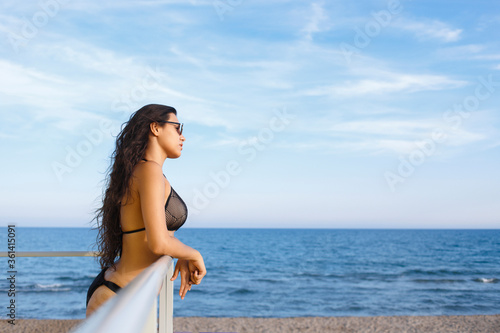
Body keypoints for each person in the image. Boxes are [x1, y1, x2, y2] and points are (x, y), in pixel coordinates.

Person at [86, 104, 206, 317]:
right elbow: (158, 242)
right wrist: (193, 254)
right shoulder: (148, 170)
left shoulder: (148, 171)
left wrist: (181, 253)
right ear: (155, 128)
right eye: (178, 128)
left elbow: (160, 237)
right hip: (116, 295)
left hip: (125, 292)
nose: (183, 136)